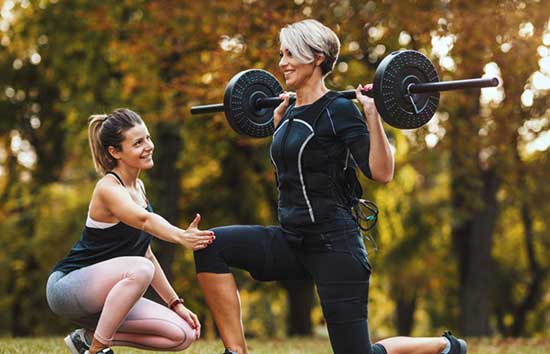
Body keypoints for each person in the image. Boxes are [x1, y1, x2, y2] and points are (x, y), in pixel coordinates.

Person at [194, 19, 467, 354]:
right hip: (292, 239)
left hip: (334, 246)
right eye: (282, 53)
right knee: (210, 245)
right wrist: (280, 125)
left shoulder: (339, 109)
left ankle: (446, 346)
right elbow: (296, 169)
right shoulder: (289, 110)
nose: (282, 62)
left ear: (318, 57)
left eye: (291, 53)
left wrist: (372, 116)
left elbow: (381, 172)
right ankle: (236, 352)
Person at [46, 108, 215, 354]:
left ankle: (87, 338)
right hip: (69, 288)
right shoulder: (108, 188)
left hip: (112, 293)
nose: (148, 146)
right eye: (137, 142)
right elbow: (144, 220)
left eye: (147, 138)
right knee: (140, 268)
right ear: (115, 152)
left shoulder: (140, 188)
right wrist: (181, 236)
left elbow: (145, 253)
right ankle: (97, 350)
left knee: (182, 335)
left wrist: (175, 303)